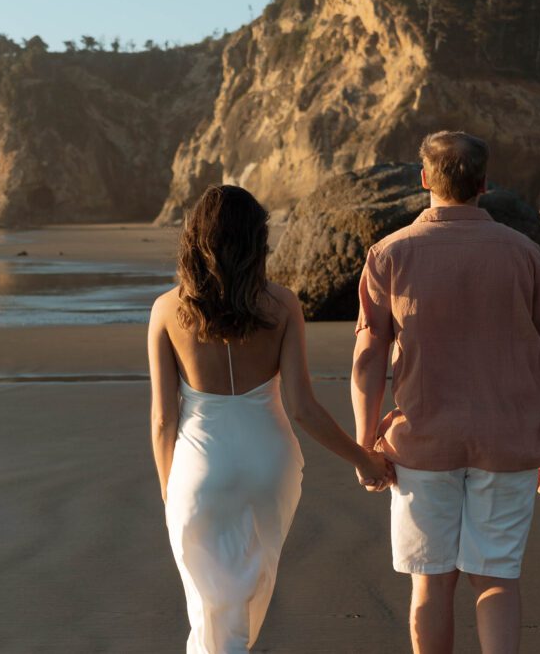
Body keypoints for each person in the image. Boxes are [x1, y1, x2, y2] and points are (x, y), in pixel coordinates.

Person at [352, 131, 540, 654]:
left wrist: (366, 442)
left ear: (424, 179)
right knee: (496, 576)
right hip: (511, 439)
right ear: (483, 183)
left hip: (422, 443)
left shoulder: (391, 253)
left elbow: (368, 357)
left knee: (431, 581)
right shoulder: (523, 252)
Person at [147, 185, 390, 653]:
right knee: (248, 598)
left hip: (199, 470)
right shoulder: (282, 305)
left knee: (209, 609)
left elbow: (162, 419)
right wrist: (362, 459)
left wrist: (168, 487)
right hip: (270, 466)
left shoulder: (166, 311)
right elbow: (302, 407)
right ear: (257, 242)